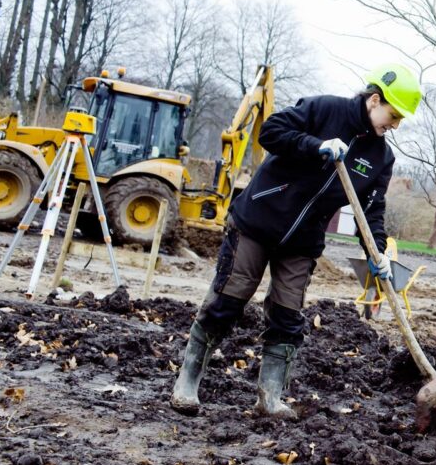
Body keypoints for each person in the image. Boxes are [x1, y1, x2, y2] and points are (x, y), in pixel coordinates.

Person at [170, 64, 421, 419]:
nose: (394, 125)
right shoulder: (324, 109)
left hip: (303, 240)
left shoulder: (380, 157)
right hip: (258, 220)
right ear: (375, 100)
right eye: (393, 115)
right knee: (228, 301)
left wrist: (376, 250)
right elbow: (271, 132)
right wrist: (315, 146)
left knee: (288, 317)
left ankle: (269, 398)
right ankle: (188, 380)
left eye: (399, 120)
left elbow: (371, 211)